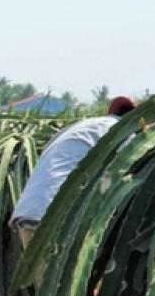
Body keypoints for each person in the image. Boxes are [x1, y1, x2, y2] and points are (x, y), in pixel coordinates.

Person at [10, 95, 135, 296]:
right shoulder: (125, 136)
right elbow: (115, 186)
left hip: (34, 214)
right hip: (56, 217)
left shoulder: (86, 128)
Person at [10, 96, 135, 248]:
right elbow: (124, 173)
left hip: (30, 212)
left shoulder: (81, 127)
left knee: (37, 271)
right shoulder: (124, 132)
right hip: (57, 218)